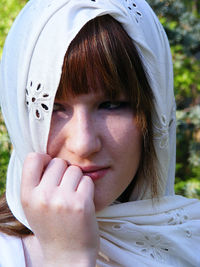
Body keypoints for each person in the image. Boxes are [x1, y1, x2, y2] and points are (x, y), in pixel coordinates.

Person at [0, 0, 200, 266]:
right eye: (53, 107)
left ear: (153, 112)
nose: (84, 144)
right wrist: (68, 258)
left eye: (111, 105)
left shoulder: (190, 243)